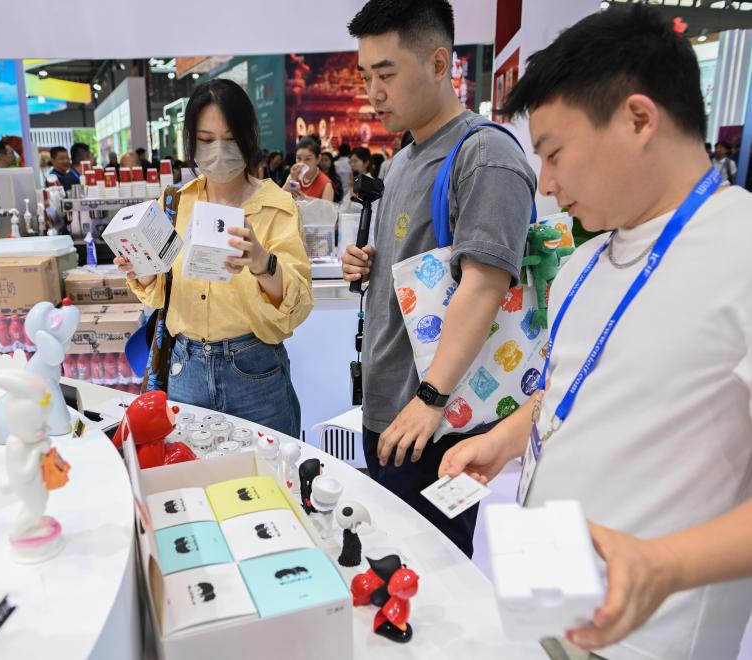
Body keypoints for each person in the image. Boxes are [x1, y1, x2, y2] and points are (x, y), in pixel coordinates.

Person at [439, 6, 752, 659]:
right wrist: (502, 441)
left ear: (639, 119)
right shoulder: (583, 261)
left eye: (554, 153)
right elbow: (571, 391)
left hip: (652, 635)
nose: (547, 183)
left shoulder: (741, 249)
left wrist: (667, 563)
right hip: (549, 602)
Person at [341, 0, 535, 557]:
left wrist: (430, 398)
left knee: (435, 571)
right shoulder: (403, 160)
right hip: (389, 409)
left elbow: (485, 284)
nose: (374, 92)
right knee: (389, 563)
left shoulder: (486, 154)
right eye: (366, 76)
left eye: (386, 74)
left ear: (438, 63)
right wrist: (371, 262)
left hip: (441, 421)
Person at [116, 79, 313, 437]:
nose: (218, 151)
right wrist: (141, 267)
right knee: (190, 468)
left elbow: (295, 309)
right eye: (206, 139)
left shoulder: (277, 207)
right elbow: (160, 294)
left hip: (253, 371)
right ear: (191, 140)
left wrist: (262, 263)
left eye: (230, 138)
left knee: (266, 468)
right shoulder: (175, 203)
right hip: (185, 370)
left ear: (249, 136)